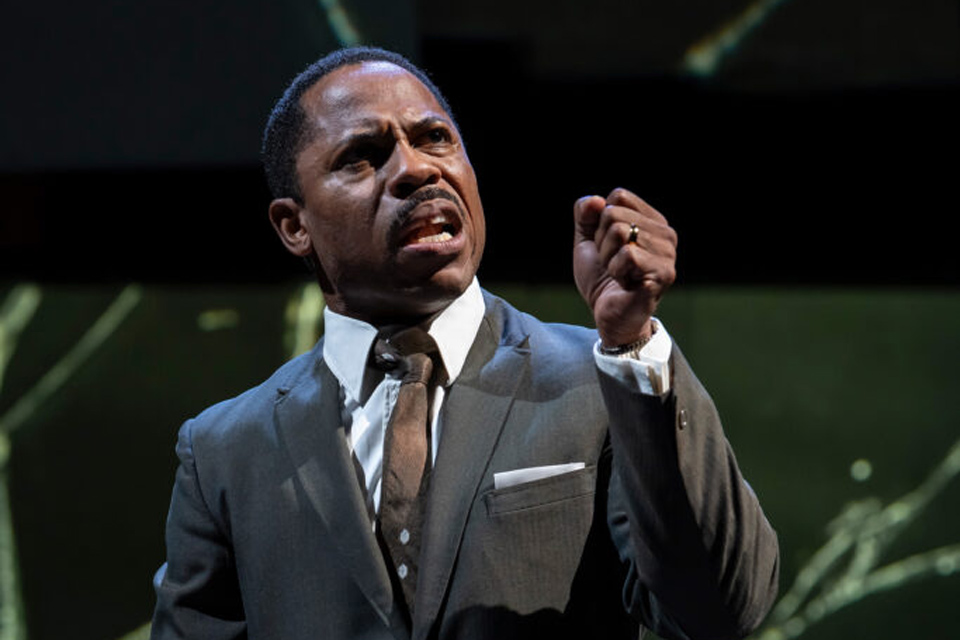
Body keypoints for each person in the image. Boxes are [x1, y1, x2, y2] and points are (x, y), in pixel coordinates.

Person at [151, 46, 779, 640]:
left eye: (434, 139)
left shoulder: (602, 383)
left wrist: (631, 345)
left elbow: (719, 611)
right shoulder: (224, 452)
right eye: (364, 156)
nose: (417, 168)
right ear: (294, 226)